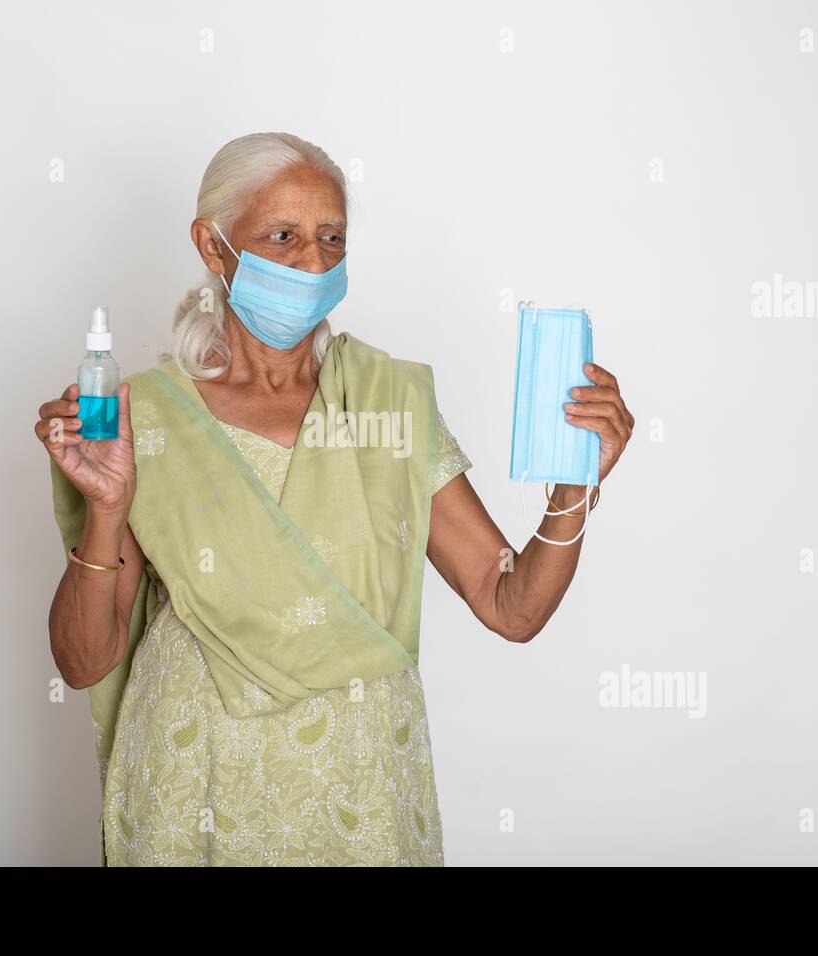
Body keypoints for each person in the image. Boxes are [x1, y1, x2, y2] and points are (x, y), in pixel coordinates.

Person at [33, 132, 634, 865]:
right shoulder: (141, 419)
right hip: (199, 789)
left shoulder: (389, 402)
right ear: (213, 246)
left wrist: (575, 485)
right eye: (282, 236)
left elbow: (513, 606)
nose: (313, 261)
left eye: (331, 238)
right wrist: (105, 508)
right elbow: (83, 662)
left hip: (361, 789)